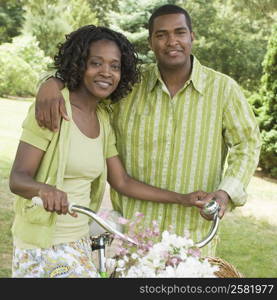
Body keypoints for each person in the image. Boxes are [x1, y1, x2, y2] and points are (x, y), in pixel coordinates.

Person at [34, 5, 261, 257]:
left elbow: (248, 144)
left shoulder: (223, 90)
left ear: (192, 37)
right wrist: (51, 82)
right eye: (161, 34)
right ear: (151, 42)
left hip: (193, 238)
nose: (171, 41)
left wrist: (225, 192)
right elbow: (83, 79)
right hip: (131, 236)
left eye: (180, 32)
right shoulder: (129, 84)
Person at [9, 25, 209, 278]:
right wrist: (44, 189)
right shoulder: (53, 108)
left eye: (115, 66)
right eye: (96, 63)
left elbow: (122, 181)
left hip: (79, 242)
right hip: (42, 246)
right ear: (79, 65)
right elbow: (18, 178)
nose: (106, 72)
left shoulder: (103, 119)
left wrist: (184, 198)